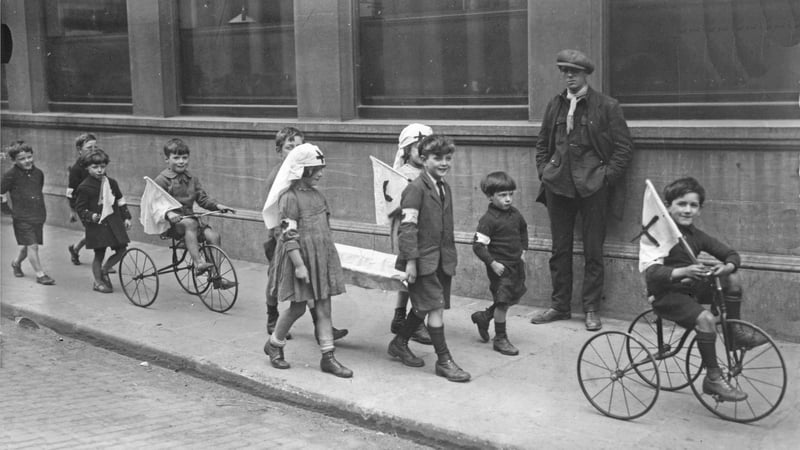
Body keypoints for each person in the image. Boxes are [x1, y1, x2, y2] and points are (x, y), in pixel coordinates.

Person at [532, 49, 634, 331]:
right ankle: (559, 306)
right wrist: (545, 171)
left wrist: (606, 177)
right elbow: (542, 144)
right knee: (559, 250)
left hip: (593, 187)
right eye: (564, 72)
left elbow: (624, 148)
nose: (568, 77)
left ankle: (591, 308)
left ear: (586, 74)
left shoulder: (607, 106)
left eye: (573, 72)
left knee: (593, 251)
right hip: (558, 186)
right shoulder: (555, 105)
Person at [645, 177, 767, 401]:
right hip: (666, 294)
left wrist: (726, 267)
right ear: (668, 206)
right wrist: (684, 271)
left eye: (693, 205)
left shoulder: (696, 236)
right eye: (681, 204)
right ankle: (713, 378)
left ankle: (733, 334)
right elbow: (651, 273)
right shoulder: (656, 235)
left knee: (733, 278)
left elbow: (731, 254)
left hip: (691, 289)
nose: (687, 210)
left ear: (700, 209)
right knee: (706, 320)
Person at [261, 143, 353, 378]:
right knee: (298, 308)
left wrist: (328, 255)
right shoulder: (289, 198)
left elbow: (325, 228)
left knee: (324, 307)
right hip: (300, 259)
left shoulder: (318, 196)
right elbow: (288, 234)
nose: (320, 173)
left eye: (321, 168)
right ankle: (275, 343)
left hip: (320, 258)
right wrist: (300, 265)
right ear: (301, 170)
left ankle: (328, 357)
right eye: (315, 168)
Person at [388, 134, 470, 383]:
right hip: (422, 261)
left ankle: (399, 343)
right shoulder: (414, 189)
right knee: (434, 308)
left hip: (441, 259)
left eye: (448, 158)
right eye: (437, 158)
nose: (444, 163)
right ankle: (444, 361)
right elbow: (408, 228)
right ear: (423, 159)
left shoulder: (444, 187)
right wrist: (411, 262)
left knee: (424, 305)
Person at [154, 138, 235, 288]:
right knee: (190, 223)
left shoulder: (191, 178)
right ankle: (199, 263)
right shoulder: (162, 180)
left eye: (184, 158)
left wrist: (217, 206)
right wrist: (168, 214)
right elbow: (156, 204)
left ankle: (216, 277)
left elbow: (202, 199)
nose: (181, 162)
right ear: (167, 159)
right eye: (176, 158)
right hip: (172, 224)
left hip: (191, 219)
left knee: (213, 236)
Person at [470, 171, 528, 356]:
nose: (508, 199)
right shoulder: (488, 220)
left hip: (515, 264)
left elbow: (523, 229)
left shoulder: (515, 214)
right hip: (500, 268)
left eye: (511, 194)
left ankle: (484, 316)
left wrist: (524, 250)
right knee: (503, 302)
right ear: (490, 196)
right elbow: (478, 246)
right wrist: (492, 263)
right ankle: (500, 338)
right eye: (502, 195)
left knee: (510, 296)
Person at [388, 123, 433, 345]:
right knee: (413, 275)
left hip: (424, 230)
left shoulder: (429, 172)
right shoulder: (402, 174)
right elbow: (394, 204)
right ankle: (414, 324)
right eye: (417, 148)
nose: (422, 152)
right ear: (406, 150)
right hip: (407, 230)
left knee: (410, 276)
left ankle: (399, 316)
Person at [73, 149, 131, 293]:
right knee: (99, 253)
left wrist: (127, 217)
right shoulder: (84, 187)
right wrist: (91, 216)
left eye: (102, 167)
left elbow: (120, 200)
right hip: (97, 225)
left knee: (122, 249)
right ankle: (98, 282)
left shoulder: (111, 182)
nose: (99, 170)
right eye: (95, 167)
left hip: (113, 222)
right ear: (87, 168)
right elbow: (80, 208)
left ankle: (105, 269)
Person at [1, 141, 55, 285]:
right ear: (14, 160)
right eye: (22, 159)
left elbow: (37, 190)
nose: (27, 161)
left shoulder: (38, 173)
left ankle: (16, 263)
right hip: (21, 217)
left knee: (27, 246)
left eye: (29, 157)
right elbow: (1, 192)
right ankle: (40, 275)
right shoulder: (10, 175)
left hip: (38, 215)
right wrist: (6, 208)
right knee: (33, 246)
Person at [66, 133, 98, 266]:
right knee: (95, 232)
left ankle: (75, 249)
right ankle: (100, 263)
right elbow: (70, 192)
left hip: (97, 202)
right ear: (80, 150)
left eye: (95, 147)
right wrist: (72, 211)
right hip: (83, 206)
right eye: (89, 148)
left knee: (94, 231)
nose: (93, 151)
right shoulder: (76, 169)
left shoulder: (97, 162)